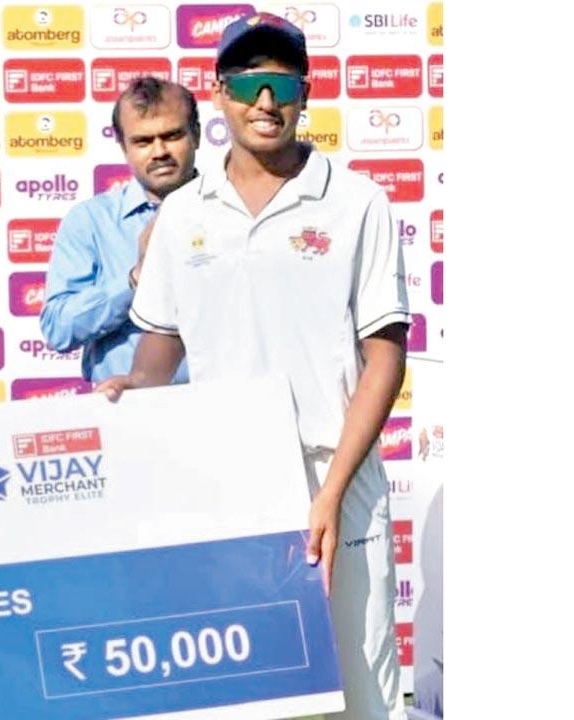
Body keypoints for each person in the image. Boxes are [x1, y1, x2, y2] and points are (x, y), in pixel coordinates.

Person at [97, 13, 409, 720]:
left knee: (364, 696)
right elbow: (160, 346)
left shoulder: (357, 201)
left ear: (304, 92)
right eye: (246, 83)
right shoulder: (181, 214)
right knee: (256, 699)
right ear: (219, 93)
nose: (264, 102)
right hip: (228, 482)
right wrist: (135, 387)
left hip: (337, 474)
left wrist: (330, 492)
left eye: (279, 83)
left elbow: (384, 359)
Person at [40, 76, 198, 384]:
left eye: (172, 135)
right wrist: (135, 281)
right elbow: (59, 329)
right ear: (123, 146)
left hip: (221, 405)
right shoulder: (90, 221)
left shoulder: (230, 213)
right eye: (143, 141)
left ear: (197, 134)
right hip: (124, 409)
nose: (159, 151)